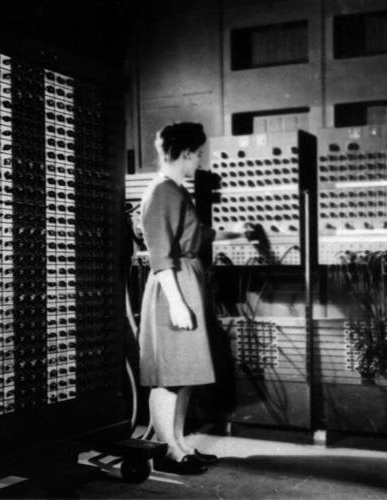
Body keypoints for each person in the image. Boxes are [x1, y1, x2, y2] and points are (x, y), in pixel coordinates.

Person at [139, 122, 241, 475]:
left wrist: (237, 232)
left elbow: (196, 234)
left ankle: (178, 443)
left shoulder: (175, 191)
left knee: (185, 373)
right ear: (184, 154)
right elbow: (160, 254)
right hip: (173, 287)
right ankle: (168, 449)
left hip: (186, 282)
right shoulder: (162, 192)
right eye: (197, 153)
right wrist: (178, 303)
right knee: (170, 374)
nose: (199, 160)